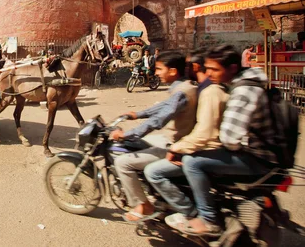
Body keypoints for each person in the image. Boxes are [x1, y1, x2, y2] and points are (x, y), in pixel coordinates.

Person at [166, 45, 278, 237]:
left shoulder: (244, 91)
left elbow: (230, 140)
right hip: (260, 150)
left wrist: (192, 146)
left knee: (192, 163)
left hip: (256, 157)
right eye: (208, 68)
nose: (208, 73)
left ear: (233, 68)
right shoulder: (243, 83)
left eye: (214, 69)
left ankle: (208, 219)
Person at [110, 51, 197, 222]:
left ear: (172, 71)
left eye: (159, 69)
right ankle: (152, 192)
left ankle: (143, 205)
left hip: (175, 144)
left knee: (123, 162)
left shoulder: (181, 92)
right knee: (138, 143)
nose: (156, 73)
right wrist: (138, 114)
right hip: (174, 139)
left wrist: (125, 134)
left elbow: (158, 120)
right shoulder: (185, 86)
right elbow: (164, 106)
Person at [144, 49, 228, 223]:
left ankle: (198, 216)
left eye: (188, 65)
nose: (184, 67)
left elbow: (205, 132)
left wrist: (178, 147)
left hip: (204, 147)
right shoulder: (199, 88)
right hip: (200, 143)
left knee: (154, 171)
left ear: (195, 67)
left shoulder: (207, 91)